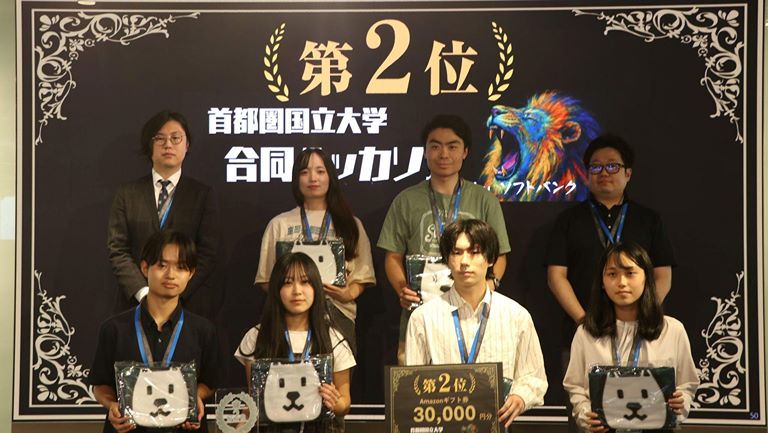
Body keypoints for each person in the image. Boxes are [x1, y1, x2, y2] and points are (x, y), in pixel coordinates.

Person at [378, 114, 511, 364]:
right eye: (435, 146)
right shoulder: (406, 200)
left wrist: (490, 285)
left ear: (465, 152)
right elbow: (393, 256)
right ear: (425, 152)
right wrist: (402, 289)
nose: (443, 154)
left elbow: (499, 255)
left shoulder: (484, 200)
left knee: (475, 379)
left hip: (473, 313)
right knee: (415, 381)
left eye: (452, 146)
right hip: (420, 313)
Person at [405, 219, 547, 429]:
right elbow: (412, 387)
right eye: (456, 252)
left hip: (496, 424)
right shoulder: (423, 317)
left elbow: (534, 376)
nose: (464, 261)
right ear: (447, 259)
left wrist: (520, 397)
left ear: (490, 259)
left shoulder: (516, 316)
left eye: (474, 252)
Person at [90, 230, 219, 433]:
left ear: (191, 274)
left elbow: (210, 382)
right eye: (162, 265)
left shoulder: (203, 330)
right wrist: (112, 405)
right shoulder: (114, 329)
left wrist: (194, 397)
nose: (171, 275)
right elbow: (100, 384)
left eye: (181, 267)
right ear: (144, 268)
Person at [563, 241, 698, 432]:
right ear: (602, 282)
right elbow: (575, 386)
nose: (622, 282)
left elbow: (687, 384)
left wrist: (681, 402)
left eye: (630, 273)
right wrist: (586, 415)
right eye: (612, 274)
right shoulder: (586, 333)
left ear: (646, 278)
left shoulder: (672, 330)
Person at [254, 148, 375, 355]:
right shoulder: (279, 224)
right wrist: (295, 293)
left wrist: (347, 294)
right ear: (296, 179)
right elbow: (266, 279)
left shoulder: (351, 224)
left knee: (337, 375)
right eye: (304, 172)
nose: (312, 178)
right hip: (290, 319)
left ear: (330, 177)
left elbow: (363, 275)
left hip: (337, 314)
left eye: (320, 171)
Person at [546, 133, 675, 326]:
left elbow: (663, 275)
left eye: (612, 166)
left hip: (641, 328)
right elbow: (556, 276)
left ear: (628, 174)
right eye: (596, 167)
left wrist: (644, 315)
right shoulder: (568, 220)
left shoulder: (649, 220)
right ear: (587, 175)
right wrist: (583, 322)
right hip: (584, 327)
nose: (604, 173)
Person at [108, 110, 220, 318]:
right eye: (160, 138)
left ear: (186, 145)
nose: (168, 144)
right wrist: (144, 293)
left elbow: (208, 253)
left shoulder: (202, 195)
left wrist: (176, 294)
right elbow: (118, 250)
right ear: (149, 145)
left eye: (175, 138)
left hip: (187, 307)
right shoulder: (127, 193)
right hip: (134, 305)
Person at [237, 253, 355, 432]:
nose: (297, 291)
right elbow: (255, 399)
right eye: (287, 282)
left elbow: (345, 404)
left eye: (305, 282)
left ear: (316, 287)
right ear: (276, 289)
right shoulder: (256, 337)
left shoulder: (333, 338)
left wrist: (335, 402)